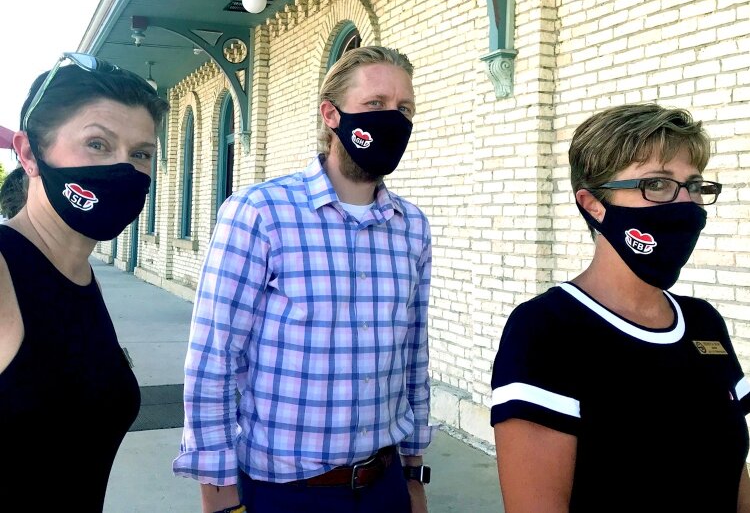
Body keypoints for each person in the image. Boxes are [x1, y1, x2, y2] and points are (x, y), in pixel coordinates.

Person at [173, 46, 434, 513]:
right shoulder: (260, 212)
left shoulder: (411, 225)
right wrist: (218, 496)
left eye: (404, 108)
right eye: (375, 105)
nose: (393, 119)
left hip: (384, 486)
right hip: (284, 493)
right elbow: (212, 360)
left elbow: (413, 355)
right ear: (331, 114)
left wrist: (413, 477)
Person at [490, 103, 750, 512]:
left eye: (694, 186)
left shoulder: (704, 322)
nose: (686, 205)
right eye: (658, 185)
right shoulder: (546, 329)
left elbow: (736, 477)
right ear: (594, 204)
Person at [0, 52, 169, 509]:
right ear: (31, 153)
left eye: (141, 154)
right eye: (97, 144)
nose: (124, 169)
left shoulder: (79, 273)